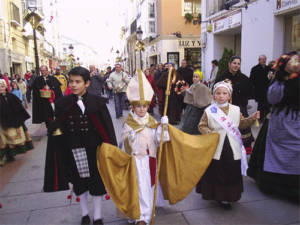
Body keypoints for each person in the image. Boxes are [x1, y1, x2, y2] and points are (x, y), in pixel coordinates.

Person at [96, 70, 220, 225]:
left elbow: (158, 140)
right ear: (133, 107)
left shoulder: (151, 121)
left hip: (151, 158)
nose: (142, 109)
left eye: (144, 106)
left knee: (149, 186)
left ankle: (147, 213)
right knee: (139, 186)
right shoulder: (129, 122)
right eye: (138, 106)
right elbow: (123, 142)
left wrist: (163, 127)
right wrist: (130, 138)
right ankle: (139, 216)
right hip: (136, 160)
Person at [43, 66, 117, 225]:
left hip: (95, 149)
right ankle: (85, 214)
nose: (73, 85)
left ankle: (97, 216)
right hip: (74, 149)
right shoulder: (62, 104)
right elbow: (59, 127)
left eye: (78, 82)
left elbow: (107, 128)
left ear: (87, 83)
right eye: (71, 82)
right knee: (79, 182)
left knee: (97, 182)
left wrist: (111, 149)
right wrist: (54, 128)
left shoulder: (98, 102)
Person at [197, 79, 260, 210]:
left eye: (224, 93)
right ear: (213, 95)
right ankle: (217, 195)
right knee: (216, 170)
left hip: (232, 147)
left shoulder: (236, 110)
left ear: (229, 95)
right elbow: (201, 126)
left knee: (231, 170)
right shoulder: (209, 111)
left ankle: (228, 197)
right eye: (218, 93)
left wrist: (252, 118)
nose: (221, 96)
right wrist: (210, 132)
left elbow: (242, 124)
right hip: (216, 146)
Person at [247, 51, 300, 200]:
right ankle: (273, 183)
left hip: (297, 120)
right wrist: (285, 80)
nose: (297, 63)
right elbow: (272, 98)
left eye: (298, 60)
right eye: (293, 60)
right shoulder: (279, 80)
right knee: (279, 151)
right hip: (281, 120)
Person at [214, 56, 255, 155]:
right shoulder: (223, 77)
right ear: (229, 64)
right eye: (234, 63)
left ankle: (243, 150)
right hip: (227, 108)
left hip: (240, 107)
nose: (236, 66)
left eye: (238, 64)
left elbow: (250, 89)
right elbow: (215, 90)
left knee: (242, 126)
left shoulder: (243, 77)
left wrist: (246, 99)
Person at [0, 79, 34, 166]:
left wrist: (19, 119)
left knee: (11, 140)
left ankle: (10, 154)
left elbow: (18, 108)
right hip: (1, 124)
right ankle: (2, 158)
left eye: (2, 86)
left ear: (6, 87)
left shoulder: (11, 96)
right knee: (2, 141)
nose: (1, 88)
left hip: (12, 122)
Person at [31, 65, 63, 130]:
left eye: (44, 70)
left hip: (52, 101)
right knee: (46, 116)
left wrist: (50, 88)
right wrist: (42, 90)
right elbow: (35, 91)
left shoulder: (53, 79)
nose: (43, 72)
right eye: (41, 71)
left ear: (47, 70)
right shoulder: (37, 80)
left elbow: (58, 90)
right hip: (43, 102)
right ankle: (48, 128)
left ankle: (56, 127)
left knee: (54, 115)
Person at [250, 55, 272, 122]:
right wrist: (258, 86)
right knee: (261, 105)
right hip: (259, 90)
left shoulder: (268, 69)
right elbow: (252, 79)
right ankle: (260, 118)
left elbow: (270, 78)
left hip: (267, 89)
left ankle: (266, 117)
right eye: (262, 59)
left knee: (268, 104)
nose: (264, 61)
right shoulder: (255, 68)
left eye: (265, 59)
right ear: (259, 60)